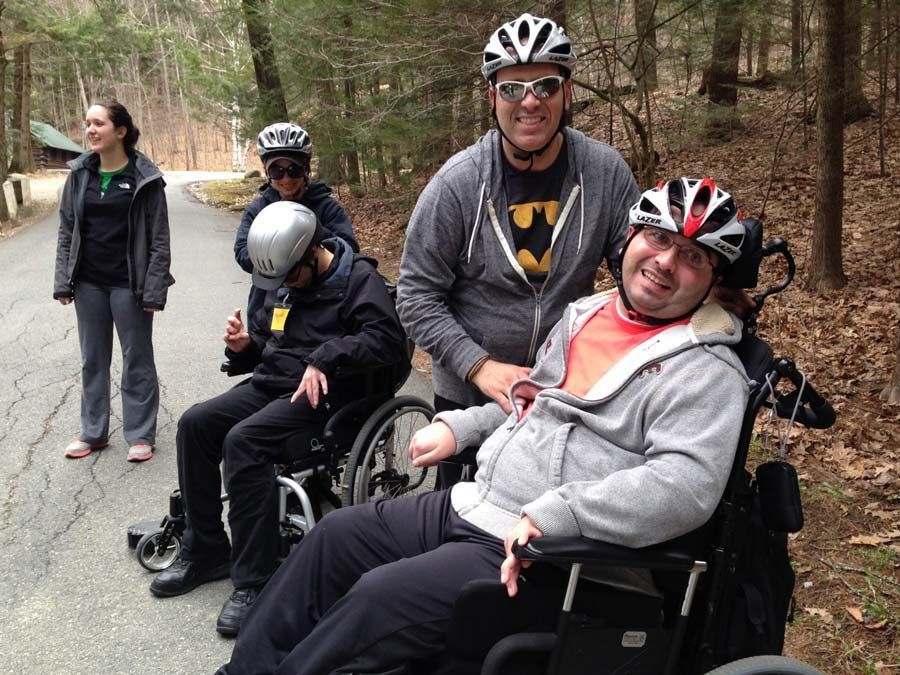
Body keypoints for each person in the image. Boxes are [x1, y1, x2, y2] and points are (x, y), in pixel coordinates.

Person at [216, 177, 753, 675]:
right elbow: (531, 400)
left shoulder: (706, 371)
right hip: (480, 503)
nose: (664, 262)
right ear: (631, 236)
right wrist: (463, 426)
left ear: (713, 282)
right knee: (333, 538)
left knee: (378, 599)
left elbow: (685, 487)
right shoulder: (589, 314)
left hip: (556, 555)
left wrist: (558, 513)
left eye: (691, 257)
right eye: (657, 239)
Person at [149, 200, 407, 637]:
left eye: (289, 274)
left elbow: (387, 342)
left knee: (244, 442)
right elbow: (272, 344)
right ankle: (208, 549)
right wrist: (244, 347)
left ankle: (256, 579)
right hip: (274, 384)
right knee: (196, 424)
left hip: (328, 395)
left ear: (312, 251)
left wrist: (327, 356)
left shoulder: (357, 280)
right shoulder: (284, 277)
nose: (282, 285)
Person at [397, 13, 640, 419]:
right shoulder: (458, 183)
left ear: (566, 92)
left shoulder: (605, 172)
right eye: (512, 88)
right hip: (468, 391)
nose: (530, 101)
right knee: (459, 485)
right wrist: (479, 366)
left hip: (562, 385)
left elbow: (637, 269)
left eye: (545, 86)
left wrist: (700, 289)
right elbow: (415, 295)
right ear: (492, 98)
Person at [53, 99, 173, 463]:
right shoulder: (80, 175)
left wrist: (154, 288)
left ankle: (140, 435)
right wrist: (63, 280)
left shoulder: (144, 179)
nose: (90, 130)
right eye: (87, 123)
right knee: (93, 358)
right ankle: (93, 432)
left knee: (136, 358)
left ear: (120, 131)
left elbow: (159, 238)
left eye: (98, 123)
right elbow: (67, 231)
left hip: (129, 284)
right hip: (89, 282)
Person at [235, 122, 358, 331]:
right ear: (266, 171)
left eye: (294, 169)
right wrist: (279, 261)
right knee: (260, 357)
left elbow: (349, 251)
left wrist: (311, 232)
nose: (286, 179)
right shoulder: (258, 209)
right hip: (268, 303)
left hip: (321, 305)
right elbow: (242, 252)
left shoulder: (326, 206)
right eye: (277, 171)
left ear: (306, 169)